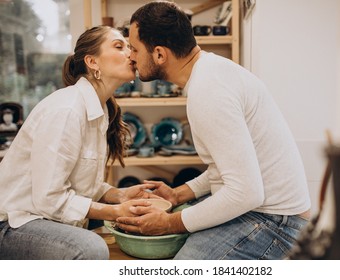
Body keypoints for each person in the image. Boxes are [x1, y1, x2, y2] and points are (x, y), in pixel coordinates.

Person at [115, 1, 311, 260]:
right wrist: (178, 194)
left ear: (160, 54)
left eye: (135, 49)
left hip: (277, 224)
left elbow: (245, 192)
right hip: (272, 214)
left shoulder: (209, 91)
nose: (130, 56)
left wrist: (169, 222)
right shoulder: (211, 72)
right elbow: (231, 167)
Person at [0, 25, 157, 260]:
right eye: (119, 46)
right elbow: (49, 199)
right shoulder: (67, 109)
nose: (130, 53)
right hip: (13, 224)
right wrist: (115, 212)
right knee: (90, 248)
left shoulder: (100, 109)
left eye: (129, 46)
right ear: (92, 62)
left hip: (43, 216)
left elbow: (79, 183)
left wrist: (119, 195)